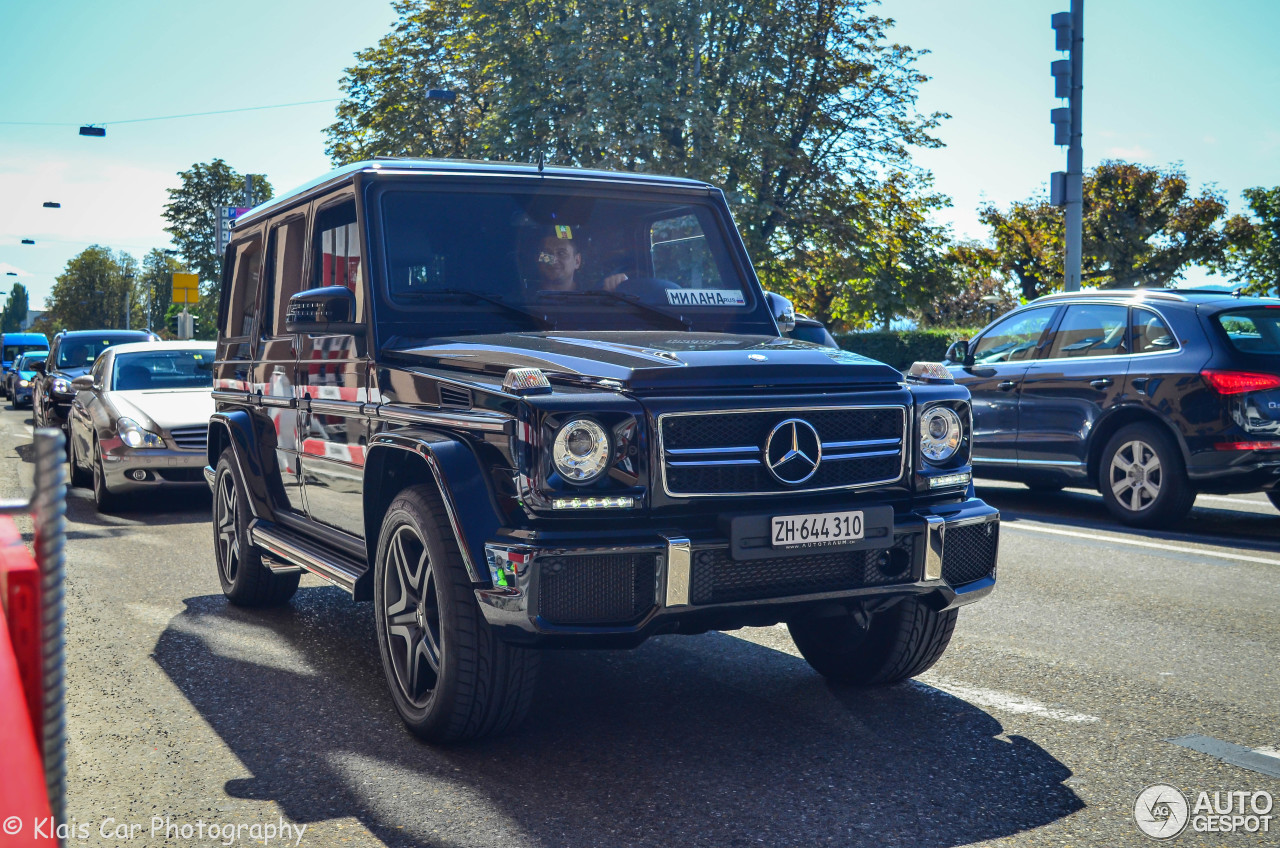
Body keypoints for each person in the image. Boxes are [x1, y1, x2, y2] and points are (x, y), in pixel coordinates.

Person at [534, 230, 628, 293]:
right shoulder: (524, 297)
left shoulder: (592, 296)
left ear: (577, 261)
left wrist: (614, 290)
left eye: (561, 253)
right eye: (547, 253)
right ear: (539, 259)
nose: (553, 260)